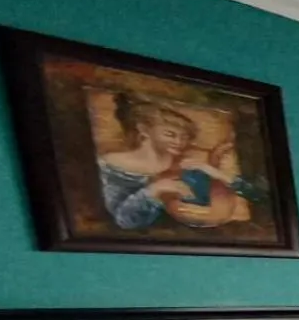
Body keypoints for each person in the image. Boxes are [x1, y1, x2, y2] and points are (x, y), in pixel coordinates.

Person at [97, 95, 251, 230]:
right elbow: (124, 221)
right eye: (170, 134)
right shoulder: (112, 164)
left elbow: (239, 195)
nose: (179, 142)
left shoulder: (189, 160)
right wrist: (154, 190)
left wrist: (214, 166)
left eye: (184, 137)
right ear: (143, 129)